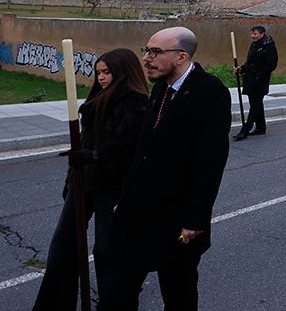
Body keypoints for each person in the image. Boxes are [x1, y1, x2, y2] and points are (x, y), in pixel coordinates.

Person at [99, 27, 231, 310]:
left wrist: (195, 219)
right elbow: (144, 150)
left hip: (177, 219)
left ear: (181, 56)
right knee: (116, 291)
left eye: (155, 52)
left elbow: (210, 162)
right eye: (146, 50)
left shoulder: (210, 92)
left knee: (178, 292)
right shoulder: (160, 87)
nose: (146, 58)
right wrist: (124, 198)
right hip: (137, 212)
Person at [33, 49, 149, 310]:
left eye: (107, 72)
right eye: (98, 72)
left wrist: (95, 156)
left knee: (107, 249)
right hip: (84, 181)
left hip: (113, 185)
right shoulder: (98, 97)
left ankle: (113, 302)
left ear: (123, 71)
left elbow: (127, 147)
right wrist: (72, 177)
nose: (102, 77)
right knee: (63, 246)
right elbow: (86, 141)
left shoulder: (136, 101)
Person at [233, 25, 278, 141]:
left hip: (259, 81)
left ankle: (245, 130)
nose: (252, 36)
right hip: (250, 80)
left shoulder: (268, 46)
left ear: (262, 34)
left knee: (255, 105)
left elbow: (271, 65)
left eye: (255, 34)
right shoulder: (255, 45)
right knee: (257, 104)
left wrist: (259, 76)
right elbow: (250, 62)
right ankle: (261, 127)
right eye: (251, 34)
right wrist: (241, 69)